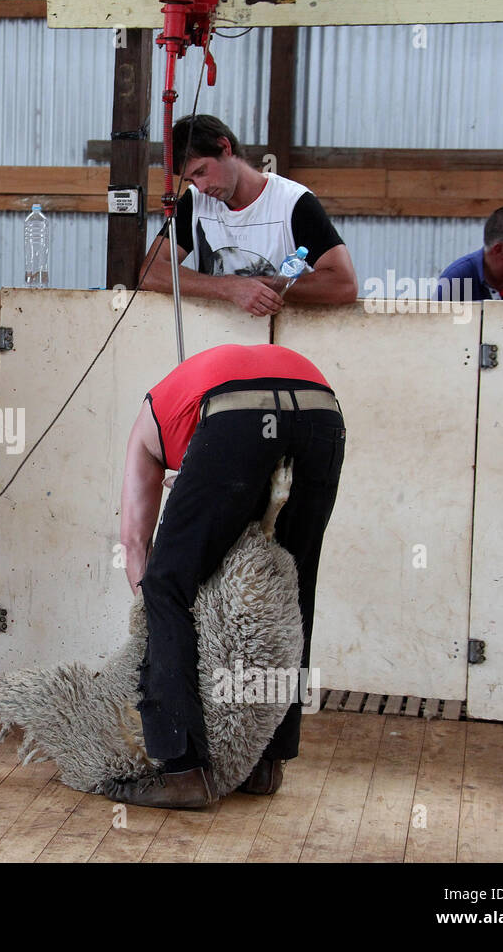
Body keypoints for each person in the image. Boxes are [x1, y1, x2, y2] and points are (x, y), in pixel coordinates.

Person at [106, 344, 345, 808]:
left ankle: (182, 769)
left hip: (237, 414)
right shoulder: (185, 402)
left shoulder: (147, 431)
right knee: (294, 586)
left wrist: (150, 616)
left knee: (164, 586)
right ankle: (267, 762)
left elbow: (137, 547)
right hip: (321, 410)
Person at [139, 115, 357, 317]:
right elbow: (151, 272)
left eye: (201, 172)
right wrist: (228, 287)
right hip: (219, 340)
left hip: (282, 340)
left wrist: (266, 287)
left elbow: (343, 284)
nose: (201, 187)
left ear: (225, 147)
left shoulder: (293, 203)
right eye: (191, 180)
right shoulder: (195, 202)